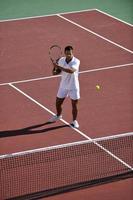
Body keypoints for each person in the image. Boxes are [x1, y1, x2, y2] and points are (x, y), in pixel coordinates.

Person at [49, 46, 80, 128]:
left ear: (72, 53)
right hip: (63, 86)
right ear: (65, 53)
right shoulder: (62, 60)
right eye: (67, 53)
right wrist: (54, 67)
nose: (68, 55)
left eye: (70, 53)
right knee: (58, 103)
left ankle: (74, 121)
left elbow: (71, 71)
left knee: (74, 105)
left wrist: (58, 66)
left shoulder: (76, 61)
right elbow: (55, 73)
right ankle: (58, 115)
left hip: (73, 86)